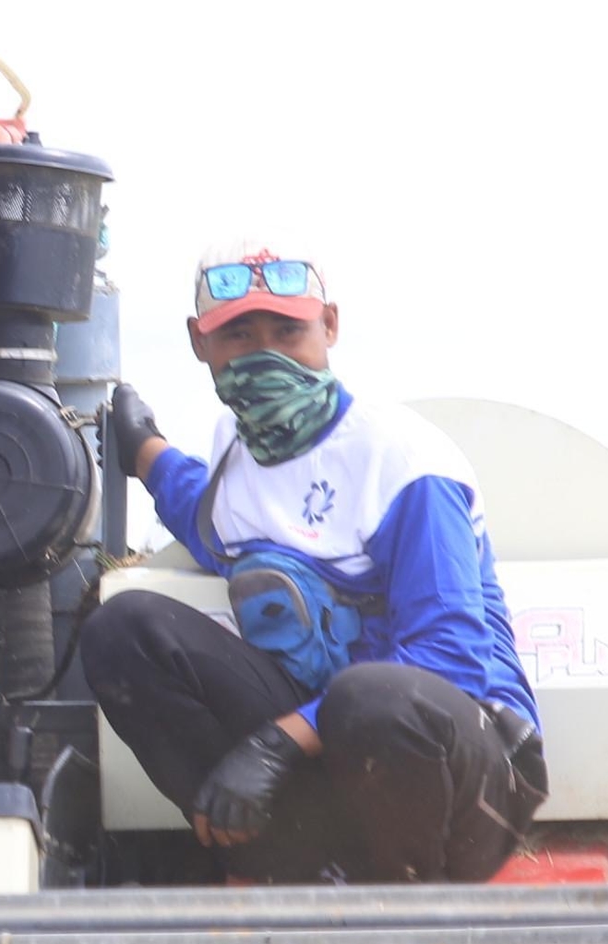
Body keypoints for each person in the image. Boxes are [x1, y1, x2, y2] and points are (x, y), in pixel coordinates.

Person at [87, 245, 549, 883]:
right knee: (123, 628)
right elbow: (209, 520)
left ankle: (401, 908)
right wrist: (143, 449)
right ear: (200, 343)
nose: (264, 352)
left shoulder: (404, 463)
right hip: (338, 771)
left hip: (464, 784)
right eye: (238, 334)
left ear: (329, 327)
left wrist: (281, 741)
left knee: (372, 695)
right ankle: (293, 869)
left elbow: (452, 657)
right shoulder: (235, 457)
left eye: (287, 330)